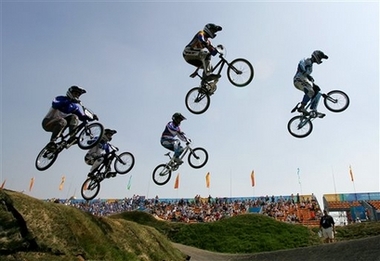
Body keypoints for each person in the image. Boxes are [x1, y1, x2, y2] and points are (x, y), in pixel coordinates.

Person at [42, 86, 97, 150]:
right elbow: (55, 104)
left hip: (61, 124)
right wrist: (69, 101)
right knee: (63, 121)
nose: (77, 96)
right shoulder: (60, 98)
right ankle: (52, 142)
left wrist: (91, 117)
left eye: (78, 95)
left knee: (75, 117)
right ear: (70, 93)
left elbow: (81, 117)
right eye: (75, 94)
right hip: (48, 122)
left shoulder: (74, 106)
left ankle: (72, 137)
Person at [183, 23, 223, 93]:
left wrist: (217, 50)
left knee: (210, 67)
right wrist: (204, 43)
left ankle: (203, 86)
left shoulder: (208, 41)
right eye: (213, 31)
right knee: (206, 54)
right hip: (188, 52)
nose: (213, 33)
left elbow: (212, 53)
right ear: (208, 29)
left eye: (214, 32)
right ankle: (208, 74)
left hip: (194, 58)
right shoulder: (201, 33)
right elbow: (200, 38)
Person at [293, 50, 329, 117]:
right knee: (310, 91)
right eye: (320, 57)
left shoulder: (311, 66)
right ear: (317, 56)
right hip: (298, 79)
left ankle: (314, 110)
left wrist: (312, 81)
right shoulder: (307, 61)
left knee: (316, 91)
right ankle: (302, 107)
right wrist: (306, 74)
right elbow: (301, 65)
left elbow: (307, 76)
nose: (320, 59)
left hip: (303, 80)